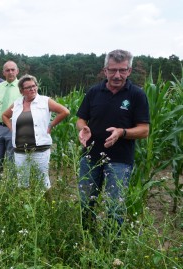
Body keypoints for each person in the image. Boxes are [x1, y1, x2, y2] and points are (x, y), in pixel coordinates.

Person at [76, 49, 150, 229]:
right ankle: (86, 239)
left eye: (122, 70)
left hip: (119, 161)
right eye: (113, 70)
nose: (117, 75)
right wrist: (83, 128)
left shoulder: (137, 95)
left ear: (129, 71)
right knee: (85, 203)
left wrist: (121, 132)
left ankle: (112, 248)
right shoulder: (94, 92)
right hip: (90, 157)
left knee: (114, 207)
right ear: (105, 70)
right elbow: (81, 118)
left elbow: (144, 130)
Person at [2, 74, 69, 189]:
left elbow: (65, 111)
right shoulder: (17, 103)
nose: (32, 89)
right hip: (20, 149)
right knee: (22, 182)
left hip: (40, 148)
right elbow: (5, 116)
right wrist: (12, 129)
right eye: (28, 87)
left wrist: (51, 125)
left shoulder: (45, 101)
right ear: (22, 91)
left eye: (34, 86)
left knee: (43, 181)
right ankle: (24, 204)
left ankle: (47, 205)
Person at [0, 60, 22, 181]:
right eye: (7, 70)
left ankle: (11, 186)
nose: (10, 72)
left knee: (13, 160)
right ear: (3, 72)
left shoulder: (22, 88)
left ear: (17, 71)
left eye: (13, 69)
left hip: (15, 127)